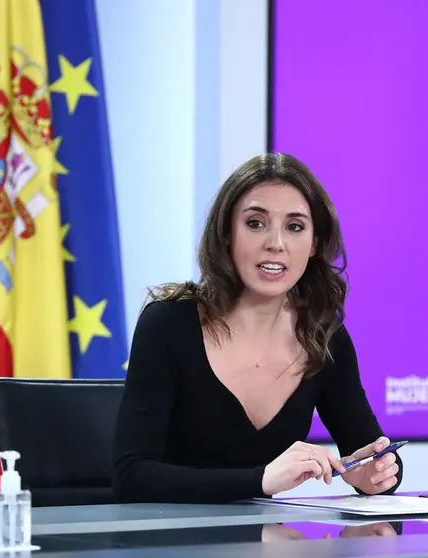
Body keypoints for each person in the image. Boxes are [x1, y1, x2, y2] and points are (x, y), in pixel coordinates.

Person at [112, 152, 403, 504]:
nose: (275, 243)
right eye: (255, 223)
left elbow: (372, 450)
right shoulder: (168, 324)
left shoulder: (323, 337)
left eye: (294, 227)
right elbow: (133, 476)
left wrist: (374, 473)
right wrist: (261, 480)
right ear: (226, 235)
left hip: (265, 542)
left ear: (313, 245)